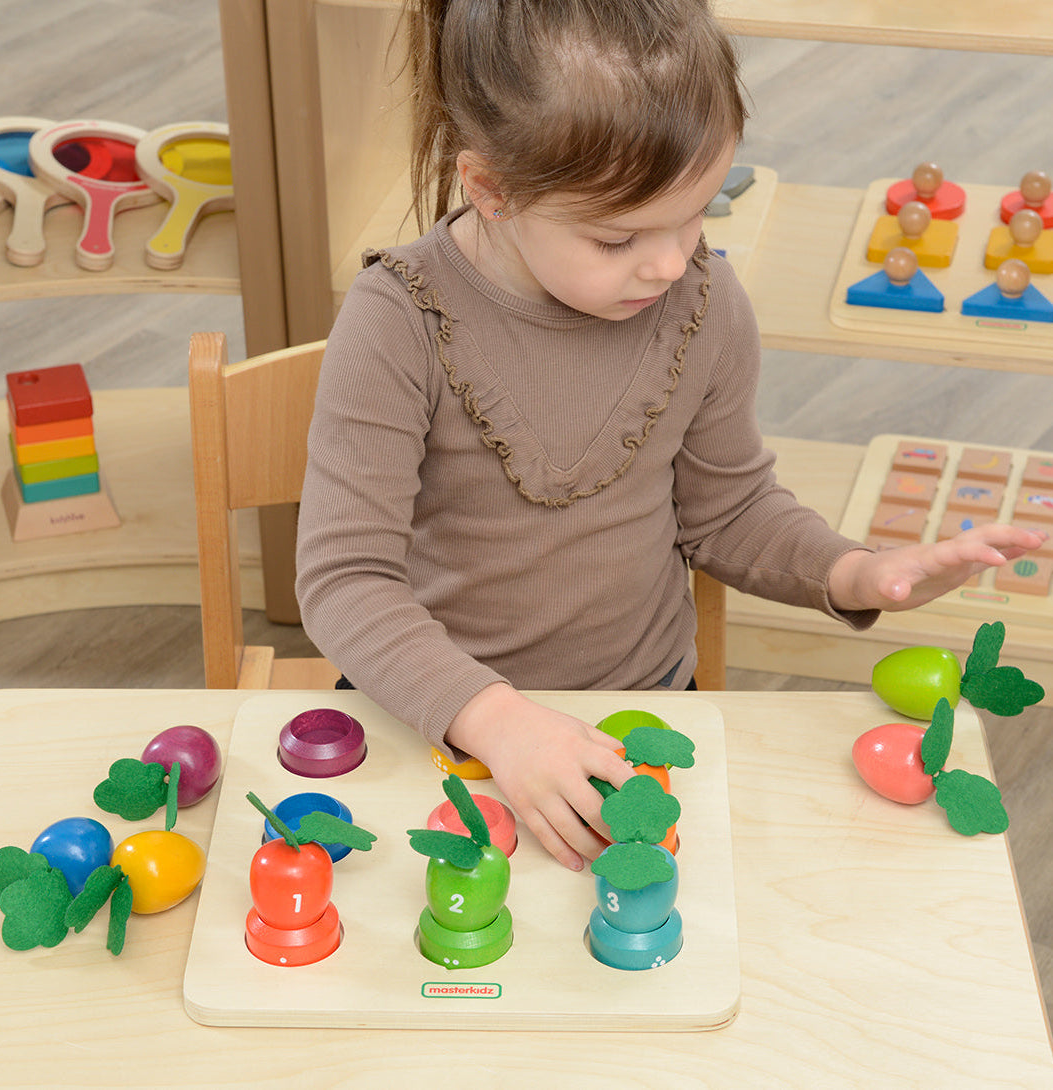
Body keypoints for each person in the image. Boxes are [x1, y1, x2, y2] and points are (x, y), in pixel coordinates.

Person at [295, 0, 1046, 870]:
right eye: (618, 237)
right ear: (490, 189)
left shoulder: (701, 303)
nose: (666, 262)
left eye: (695, 217)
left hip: (641, 716)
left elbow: (727, 511)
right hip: (436, 721)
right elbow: (347, 580)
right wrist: (498, 721)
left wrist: (856, 570)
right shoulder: (398, 322)